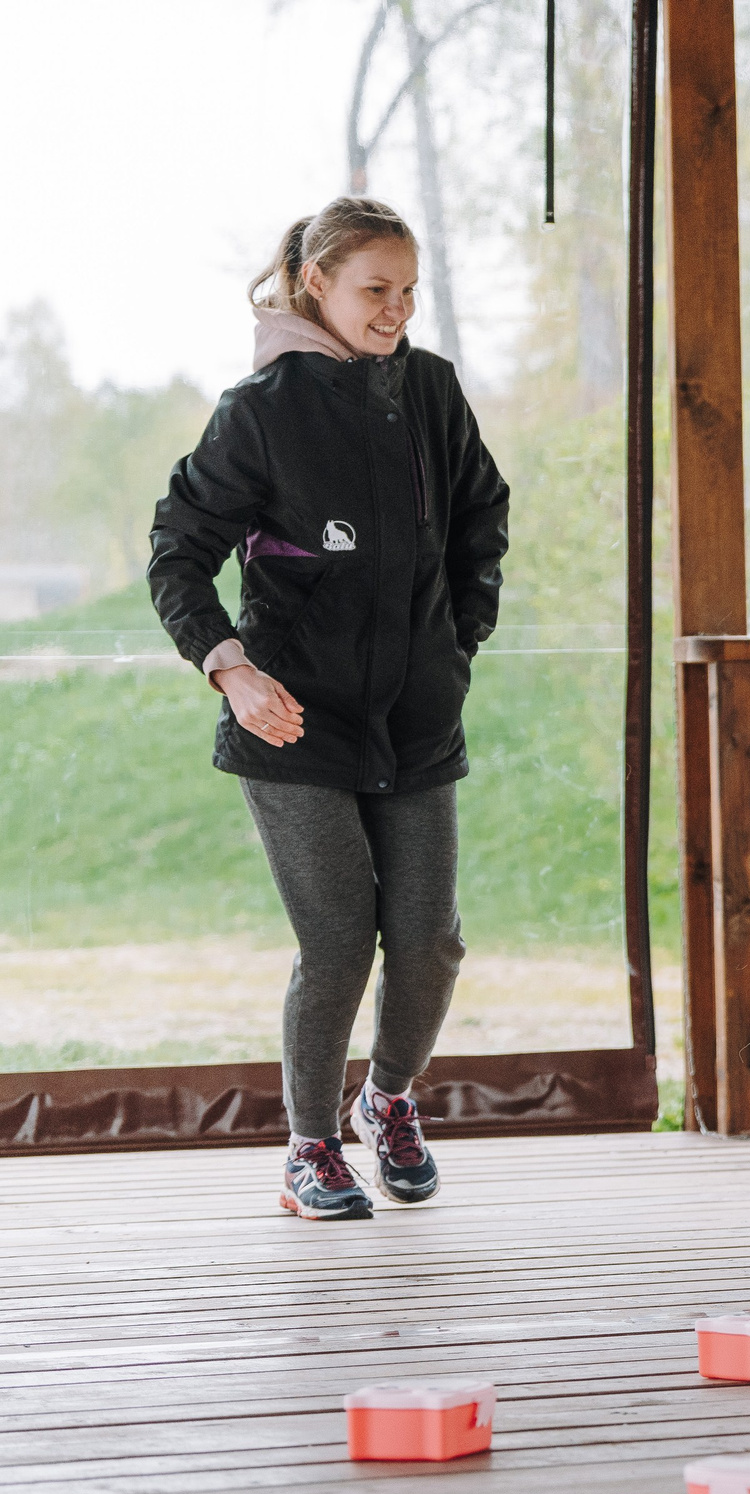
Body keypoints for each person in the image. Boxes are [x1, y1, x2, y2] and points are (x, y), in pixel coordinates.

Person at [149, 197, 509, 1220]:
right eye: (375, 289)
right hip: (294, 726)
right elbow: (178, 551)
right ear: (316, 283)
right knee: (341, 942)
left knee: (430, 942)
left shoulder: (430, 390)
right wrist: (230, 668)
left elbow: (482, 513)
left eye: (409, 291)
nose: (397, 309)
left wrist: (458, 640)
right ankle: (309, 1146)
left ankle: (386, 1100)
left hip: (417, 720)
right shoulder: (260, 410)